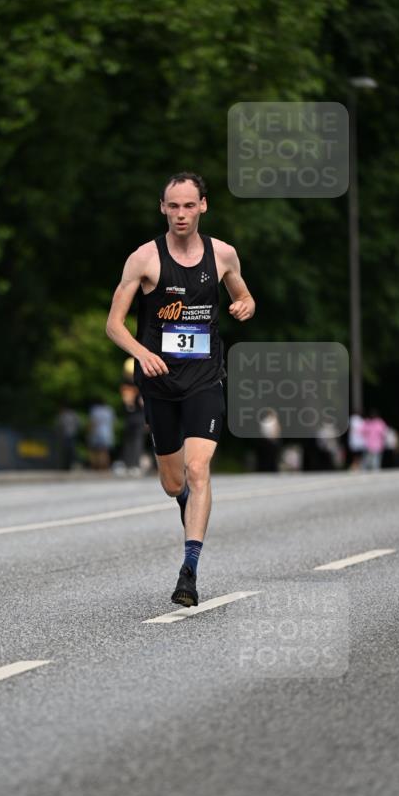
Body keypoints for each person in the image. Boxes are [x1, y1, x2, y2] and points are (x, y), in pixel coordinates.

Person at [106, 171, 255, 606]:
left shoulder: (223, 254)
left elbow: (244, 296)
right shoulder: (144, 259)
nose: (181, 214)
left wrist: (245, 305)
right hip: (159, 382)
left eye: (189, 205)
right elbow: (113, 325)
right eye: (173, 206)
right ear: (162, 209)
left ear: (203, 206)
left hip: (205, 379)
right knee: (174, 484)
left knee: (197, 469)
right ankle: (187, 503)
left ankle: (188, 572)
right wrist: (141, 352)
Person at [87, 399, 115, 470]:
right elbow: (113, 422)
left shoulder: (95, 410)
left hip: (97, 433)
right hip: (107, 433)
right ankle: (104, 467)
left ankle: (97, 467)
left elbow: (92, 422)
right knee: (105, 452)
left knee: (95, 451)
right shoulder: (109, 410)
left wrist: (89, 432)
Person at [57, 405, 81, 470]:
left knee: (68, 451)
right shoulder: (74, 414)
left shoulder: (63, 415)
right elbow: (78, 424)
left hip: (67, 435)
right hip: (72, 434)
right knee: (71, 451)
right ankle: (71, 465)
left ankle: (69, 465)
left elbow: (60, 425)